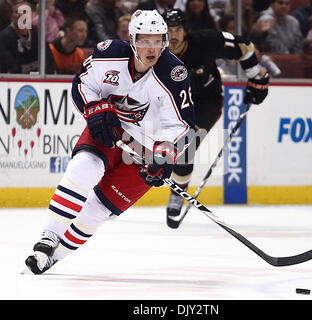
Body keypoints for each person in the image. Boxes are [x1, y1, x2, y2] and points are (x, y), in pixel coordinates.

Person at [24, 9, 195, 274]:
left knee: (98, 210)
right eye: (145, 40)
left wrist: (164, 155)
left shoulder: (173, 73)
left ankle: (53, 256)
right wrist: (94, 109)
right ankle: (48, 237)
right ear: (132, 39)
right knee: (83, 168)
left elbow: (182, 125)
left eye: (158, 40)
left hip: (146, 147)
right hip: (109, 128)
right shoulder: (108, 54)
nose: (153, 48)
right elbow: (82, 84)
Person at [161, 9, 269, 228]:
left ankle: (177, 192)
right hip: (171, 105)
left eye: (178, 29)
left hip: (205, 104)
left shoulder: (205, 42)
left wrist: (255, 75)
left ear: (186, 31)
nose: (173, 35)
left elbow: (243, 45)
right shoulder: (154, 50)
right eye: (169, 30)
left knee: (185, 148)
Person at [0, 0, 55, 73]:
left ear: (32, 15)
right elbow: (8, 66)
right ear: (11, 16)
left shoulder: (37, 35)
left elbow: (48, 62)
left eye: (25, 12)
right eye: (17, 12)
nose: (22, 15)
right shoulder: (4, 37)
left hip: (39, 81)